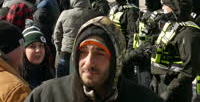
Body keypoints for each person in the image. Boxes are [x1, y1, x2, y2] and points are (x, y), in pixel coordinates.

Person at [25, 16, 163, 102]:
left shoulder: (144, 98)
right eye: (83, 52)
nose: (89, 62)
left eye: (100, 53)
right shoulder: (47, 96)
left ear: (116, 60)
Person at [151, 0, 200, 102]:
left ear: (175, 7)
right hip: (161, 83)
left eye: (165, 5)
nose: (163, 7)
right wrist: (155, 78)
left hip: (176, 89)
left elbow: (189, 69)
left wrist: (170, 91)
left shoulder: (189, 33)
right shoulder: (171, 25)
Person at [53, 0, 101, 77]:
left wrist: (58, 50)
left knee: (61, 84)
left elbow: (57, 35)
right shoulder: (93, 15)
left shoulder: (65, 14)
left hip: (66, 53)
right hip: (84, 53)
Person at [127, 0, 163, 88]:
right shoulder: (143, 14)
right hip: (138, 58)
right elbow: (134, 33)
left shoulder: (161, 16)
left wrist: (136, 53)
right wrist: (130, 51)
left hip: (149, 59)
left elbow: (155, 40)